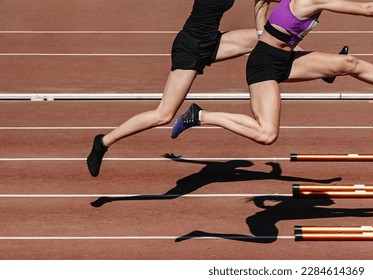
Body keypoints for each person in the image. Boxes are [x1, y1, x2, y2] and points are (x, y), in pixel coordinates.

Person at [86, 0, 347, 177]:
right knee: (163, 114)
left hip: (212, 40)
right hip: (190, 47)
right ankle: (104, 142)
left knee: (268, 39)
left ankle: (325, 72)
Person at [171, 0, 373, 146]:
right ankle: (200, 115)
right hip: (264, 66)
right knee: (267, 134)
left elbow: (260, 1)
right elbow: (368, 10)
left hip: (285, 58)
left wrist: (263, 31)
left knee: (349, 64)